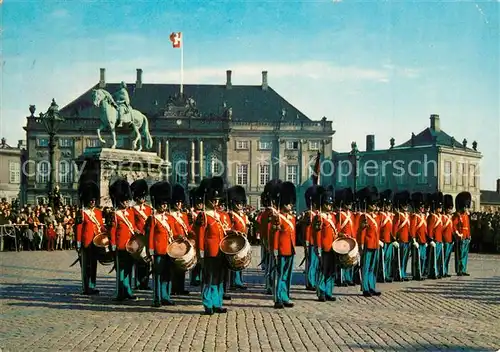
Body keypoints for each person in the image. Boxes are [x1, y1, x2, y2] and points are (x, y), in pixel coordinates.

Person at [195, 177, 228, 315]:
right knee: (209, 278)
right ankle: (208, 303)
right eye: (213, 200)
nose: (215, 203)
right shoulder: (204, 216)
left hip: (221, 250)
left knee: (219, 278)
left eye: (217, 200)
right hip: (209, 251)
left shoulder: (221, 216)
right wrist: (201, 252)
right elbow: (200, 235)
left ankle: (217, 302)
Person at [109, 179, 138, 301]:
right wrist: (113, 244)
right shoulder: (115, 214)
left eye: (127, 200)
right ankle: (119, 292)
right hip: (120, 245)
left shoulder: (131, 212)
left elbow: (133, 226)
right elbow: (112, 231)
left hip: (130, 245)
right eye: (124, 201)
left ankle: (128, 291)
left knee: (128, 270)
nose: (126, 203)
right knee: (120, 270)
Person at [148, 181, 176, 307]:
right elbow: (150, 236)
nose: (164, 206)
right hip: (158, 250)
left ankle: (166, 296)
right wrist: (151, 251)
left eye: (165, 204)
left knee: (167, 275)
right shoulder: (153, 218)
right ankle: (157, 298)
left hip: (169, 250)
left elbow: (174, 233)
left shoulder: (170, 218)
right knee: (157, 275)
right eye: (162, 204)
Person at [271, 181, 297, 309]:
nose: (291, 205)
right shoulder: (277, 218)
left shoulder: (292, 218)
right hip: (281, 250)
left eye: (292, 203)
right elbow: (275, 235)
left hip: (290, 249)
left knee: (287, 275)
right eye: (288, 203)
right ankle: (278, 298)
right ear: (282, 203)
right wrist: (275, 249)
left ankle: (285, 296)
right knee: (279, 275)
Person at [75, 181, 103, 295]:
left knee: (94, 265)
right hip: (86, 242)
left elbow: (100, 226)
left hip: (96, 242)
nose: (92, 202)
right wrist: (78, 243)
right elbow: (78, 229)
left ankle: (92, 285)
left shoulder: (98, 212)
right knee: (86, 266)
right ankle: (86, 287)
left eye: (94, 200)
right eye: (91, 200)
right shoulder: (82, 212)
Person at [313, 186, 337, 302]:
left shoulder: (332, 217)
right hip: (324, 248)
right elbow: (317, 234)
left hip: (333, 247)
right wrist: (317, 247)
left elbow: (335, 232)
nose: (329, 206)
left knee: (331, 271)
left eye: (330, 204)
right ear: (323, 204)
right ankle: (321, 292)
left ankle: (329, 291)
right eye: (327, 204)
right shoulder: (319, 217)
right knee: (323, 270)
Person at [357, 186, 382, 297]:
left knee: (373, 267)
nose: (374, 206)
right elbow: (361, 232)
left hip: (375, 244)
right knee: (366, 267)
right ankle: (365, 288)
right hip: (367, 244)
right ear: (368, 204)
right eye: (373, 204)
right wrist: (361, 244)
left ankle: (372, 286)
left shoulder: (376, 217)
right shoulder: (364, 216)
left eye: (375, 204)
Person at [130, 179, 153, 290]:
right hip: (138, 238)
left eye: (144, 197)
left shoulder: (149, 209)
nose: (143, 199)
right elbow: (131, 223)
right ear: (136, 197)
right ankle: (138, 283)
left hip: (147, 237)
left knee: (147, 261)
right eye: (140, 197)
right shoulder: (132, 210)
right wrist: (135, 230)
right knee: (138, 261)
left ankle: (145, 282)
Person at [170, 183, 191, 296]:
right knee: (174, 268)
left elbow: (187, 228)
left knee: (182, 268)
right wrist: (178, 237)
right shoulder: (170, 215)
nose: (179, 204)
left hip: (183, 243)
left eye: (180, 202)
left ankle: (181, 287)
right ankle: (174, 288)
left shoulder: (183, 215)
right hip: (174, 244)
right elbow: (171, 230)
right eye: (177, 202)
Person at [227, 185, 249, 290]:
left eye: (241, 203)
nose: (240, 205)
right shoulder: (230, 215)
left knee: (241, 262)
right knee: (234, 262)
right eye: (238, 203)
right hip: (234, 241)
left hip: (243, 240)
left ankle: (239, 280)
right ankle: (233, 282)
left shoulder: (243, 216)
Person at [302, 185, 320, 291]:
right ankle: (310, 282)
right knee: (311, 263)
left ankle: (313, 280)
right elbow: (307, 229)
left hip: (317, 241)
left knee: (315, 263)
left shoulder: (317, 214)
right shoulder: (309, 214)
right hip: (311, 241)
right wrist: (307, 242)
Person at [392, 191, 411, 281]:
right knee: (399, 258)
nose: (406, 206)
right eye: (404, 204)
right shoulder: (398, 215)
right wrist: (394, 238)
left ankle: (403, 273)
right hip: (400, 240)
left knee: (405, 258)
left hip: (407, 239)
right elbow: (395, 228)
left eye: (406, 204)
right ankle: (398, 274)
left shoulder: (408, 215)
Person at [453, 192, 472, 276]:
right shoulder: (458, 215)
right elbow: (454, 226)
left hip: (466, 237)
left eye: (467, 206)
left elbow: (467, 227)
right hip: (460, 237)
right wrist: (458, 234)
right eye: (465, 206)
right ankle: (459, 270)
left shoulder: (466, 216)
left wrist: (469, 235)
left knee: (465, 255)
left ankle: (463, 269)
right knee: (459, 255)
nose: (466, 208)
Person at [427, 192, 444, 279]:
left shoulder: (440, 217)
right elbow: (430, 229)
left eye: (441, 207)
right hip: (435, 240)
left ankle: (437, 272)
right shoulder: (432, 216)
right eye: (439, 207)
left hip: (440, 239)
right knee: (434, 258)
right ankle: (432, 272)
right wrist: (430, 239)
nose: (440, 208)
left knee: (438, 258)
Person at [441, 194, 454, 277]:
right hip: (444, 239)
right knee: (443, 257)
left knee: (448, 257)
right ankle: (442, 271)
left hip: (450, 239)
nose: (450, 210)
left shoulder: (450, 217)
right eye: (449, 208)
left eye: (451, 208)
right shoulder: (443, 217)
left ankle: (445, 271)